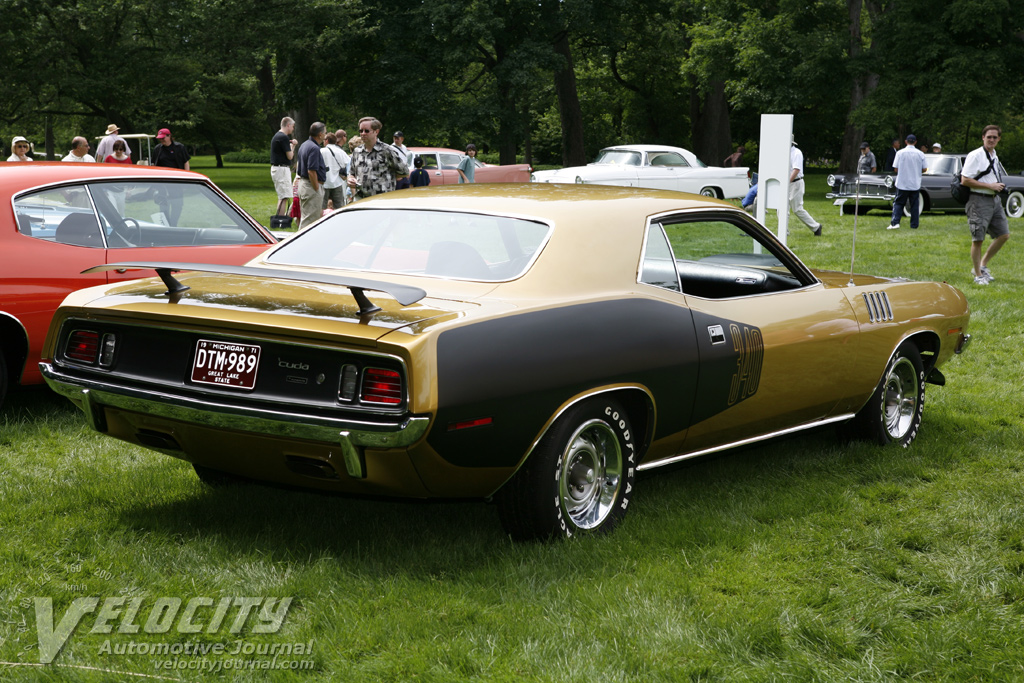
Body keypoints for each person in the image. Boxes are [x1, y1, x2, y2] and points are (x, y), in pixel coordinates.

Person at [961, 125, 1010, 285]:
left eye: (995, 137)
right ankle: (978, 275)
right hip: (978, 200)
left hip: (994, 200)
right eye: (989, 137)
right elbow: (965, 180)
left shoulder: (994, 155)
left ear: (999, 139)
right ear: (983, 137)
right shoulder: (975, 155)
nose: (992, 140)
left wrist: (996, 187)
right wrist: (990, 186)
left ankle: (982, 266)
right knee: (978, 239)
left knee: (1004, 235)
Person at [347, 117, 409, 199]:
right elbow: (351, 173)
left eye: (366, 131)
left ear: (376, 132)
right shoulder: (357, 151)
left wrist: (388, 177)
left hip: (381, 199)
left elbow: (405, 172)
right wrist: (350, 179)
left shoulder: (386, 150)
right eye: (361, 131)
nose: (363, 133)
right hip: (361, 199)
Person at [887, 134, 927, 230]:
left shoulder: (900, 153)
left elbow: (895, 168)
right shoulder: (920, 154)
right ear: (915, 142)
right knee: (914, 205)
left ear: (906, 142)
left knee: (898, 203)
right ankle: (914, 225)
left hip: (902, 183)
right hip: (915, 183)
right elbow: (924, 169)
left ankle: (895, 223)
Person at [296, 122, 328, 230]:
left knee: (306, 218)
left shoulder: (304, 144)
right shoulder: (314, 148)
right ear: (320, 134)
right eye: (325, 133)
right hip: (311, 186)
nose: (325, 135)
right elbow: (311, 171)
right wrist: (317, 189)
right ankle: (302, 240)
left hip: (304, 185)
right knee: (310, 222)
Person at [789, 137, 822, 236]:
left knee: (797, 209)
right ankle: (783, 232)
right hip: (787, 183)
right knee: (781, 209)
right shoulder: (783, 153)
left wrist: (787, 182)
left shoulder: (796, 153)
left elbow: (796, 170)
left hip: (796, 183)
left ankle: (816, 227)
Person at [271, 117, 298, 216]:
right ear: (288, 125)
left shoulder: (277, 136)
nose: (293, 129)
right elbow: (290, 156)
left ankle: (280, 218)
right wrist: (293, 146)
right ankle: (280, 219)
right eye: (292, 126)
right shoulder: (284, 137)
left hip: (278, 168)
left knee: (282, 196)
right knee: (284, 197)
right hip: (281, 169)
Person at [320, 131, 348, 211]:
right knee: (339, 208)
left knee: (322, 208)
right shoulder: (340, 151)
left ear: (326, 141)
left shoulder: (322, 151)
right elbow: (349, 163)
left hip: (324, 183)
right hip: (337, 182)